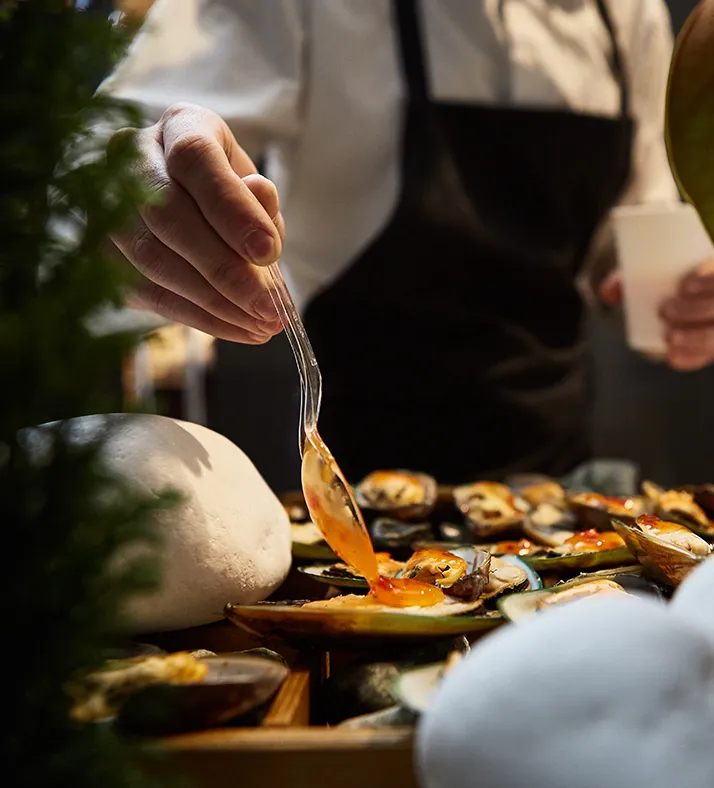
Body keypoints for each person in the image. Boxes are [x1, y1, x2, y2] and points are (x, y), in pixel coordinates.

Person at [99, 0, 714, 483]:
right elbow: (96, 153)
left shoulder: (626, 12)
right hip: (358, 477)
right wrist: (125, 182)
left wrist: (671, 298)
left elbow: (628, 232)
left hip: (556, 482)